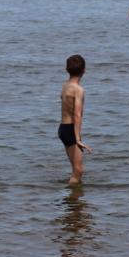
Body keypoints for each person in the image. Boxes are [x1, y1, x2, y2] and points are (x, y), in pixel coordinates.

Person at [58, 54, 92, 185]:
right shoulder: (78, 90)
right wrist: (77, 139)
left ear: (67, 70)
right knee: (79, 170)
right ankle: (71, 196)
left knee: (75, 169)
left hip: (63, 128)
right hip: (71, 130)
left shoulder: (65, 86)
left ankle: (74, 194)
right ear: (84, 70)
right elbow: (77, 114)